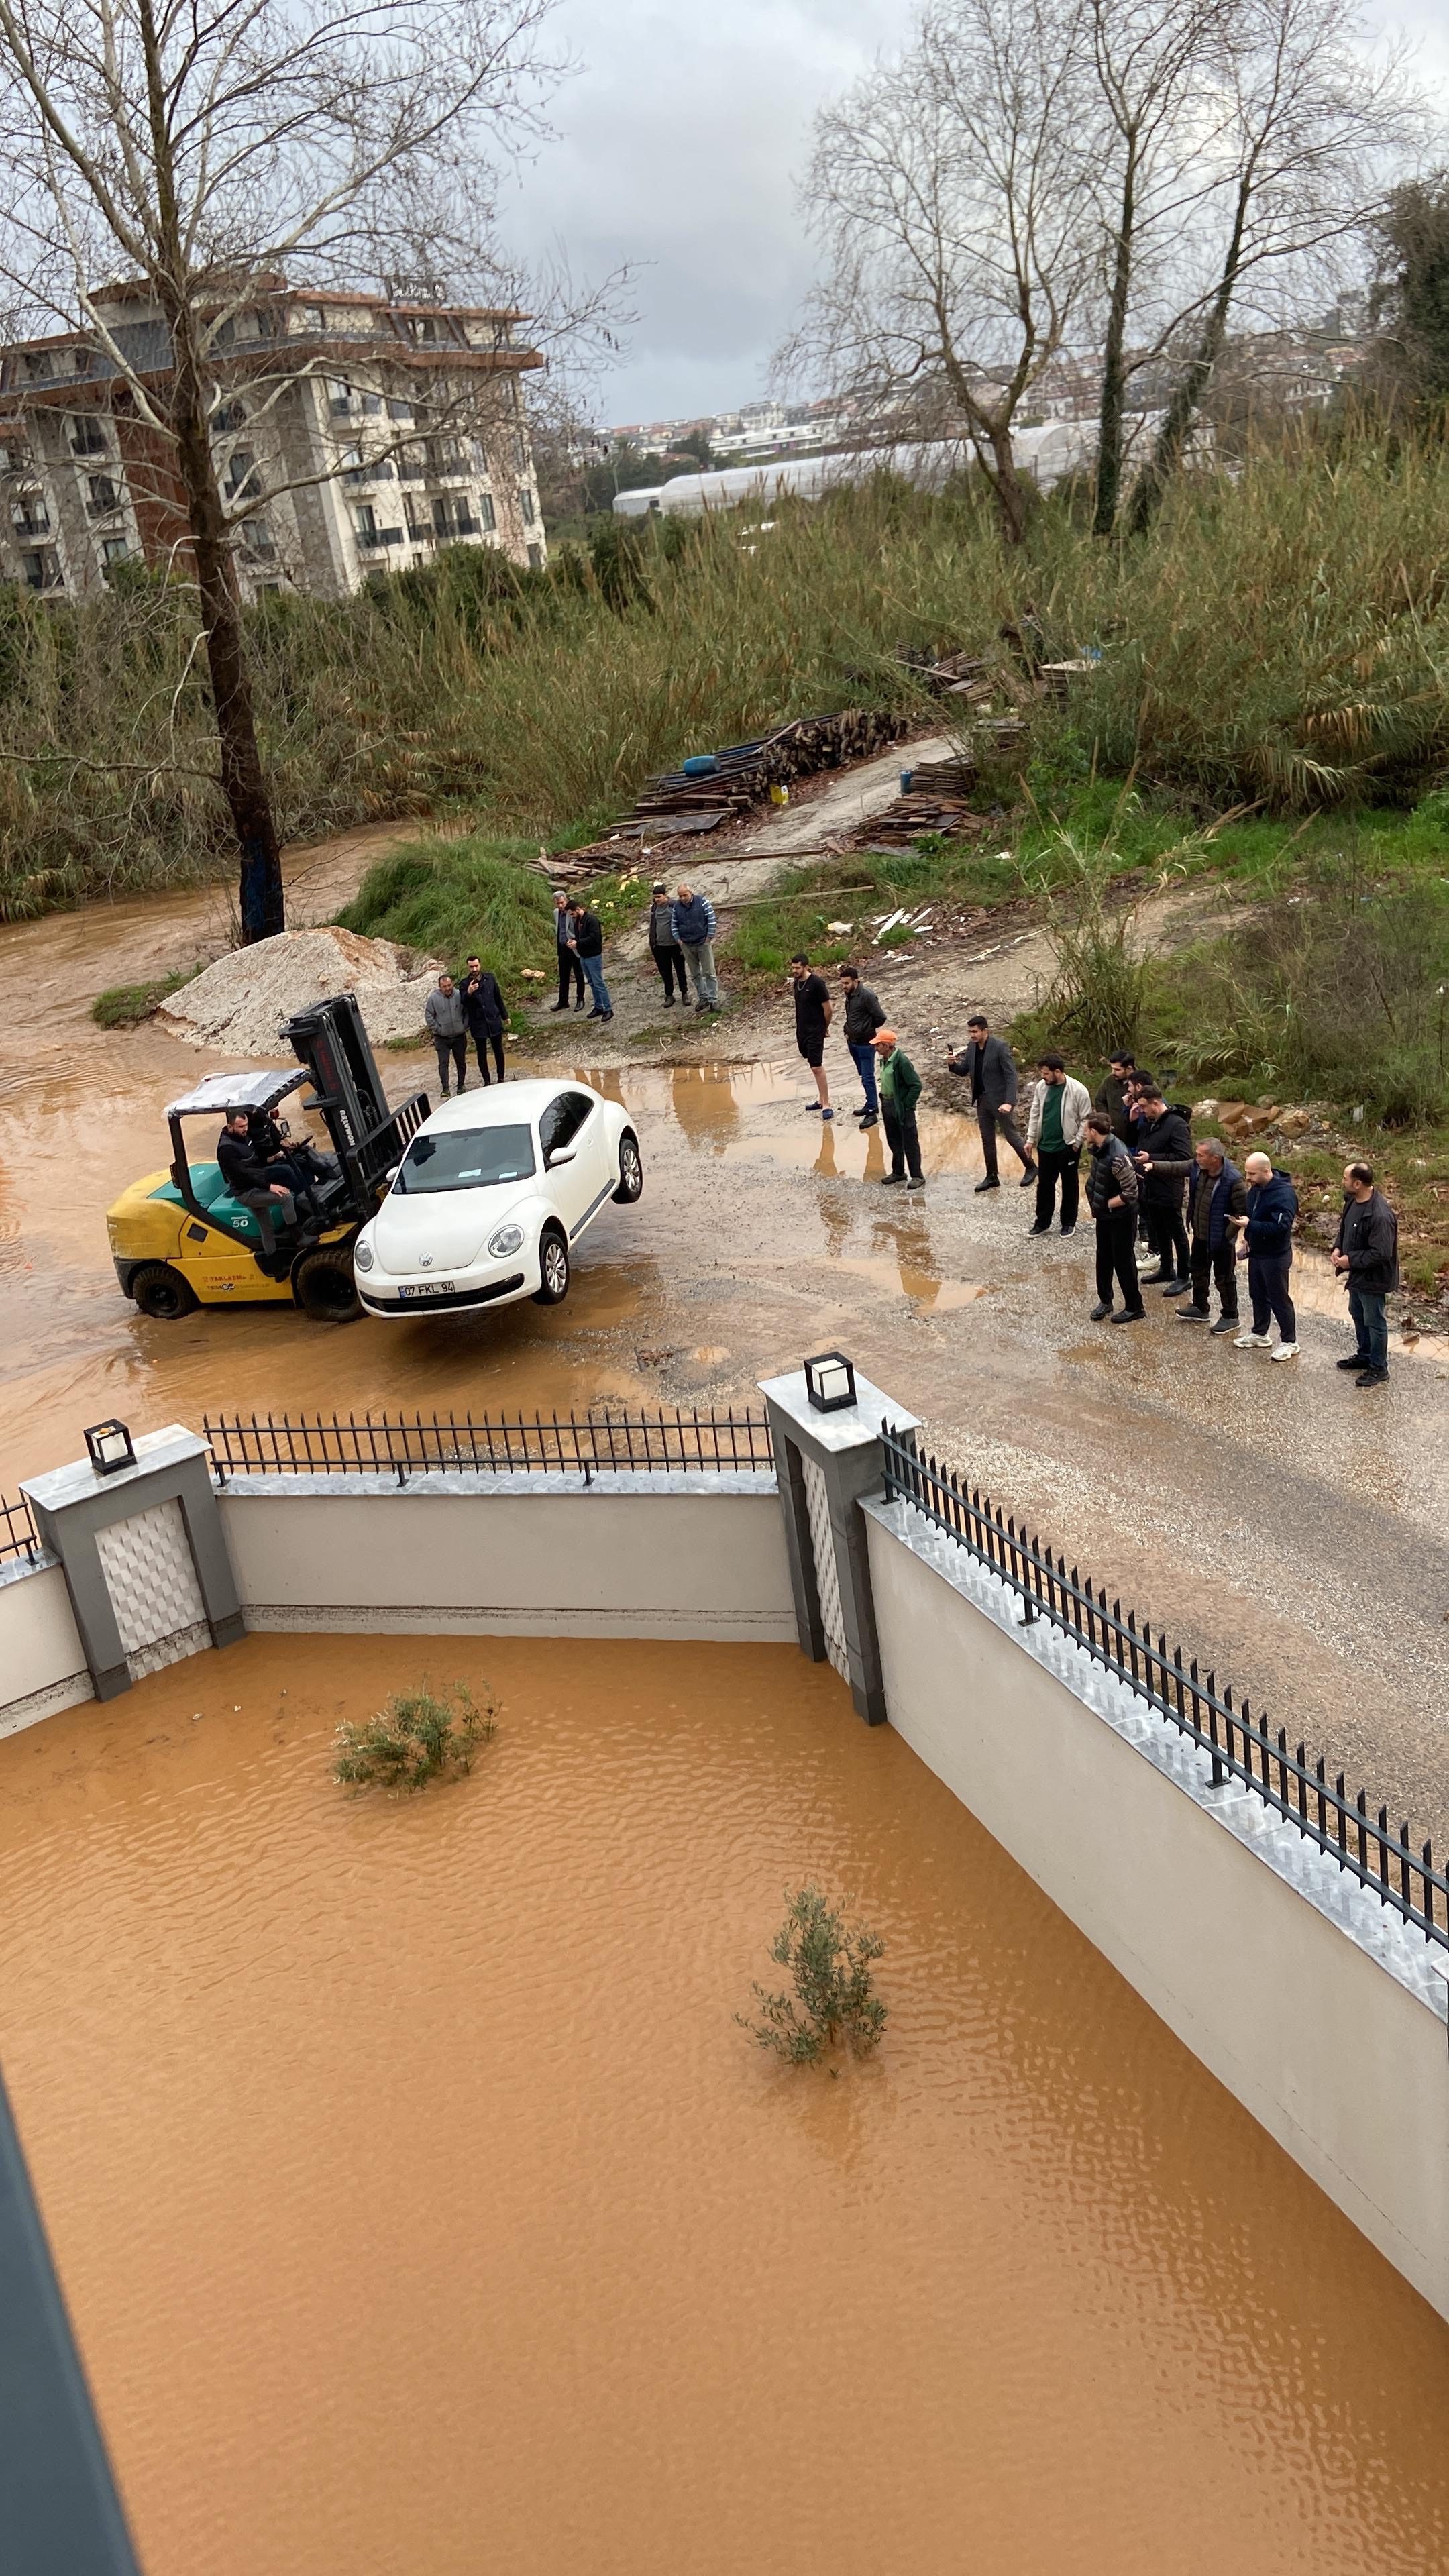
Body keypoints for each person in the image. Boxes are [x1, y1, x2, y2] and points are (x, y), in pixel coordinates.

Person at [946, 1013, 1035, 1193]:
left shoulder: (1000, 1047)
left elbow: (1011, 1075)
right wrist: (952, 1064)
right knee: (987, 1139)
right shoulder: (971, 1048)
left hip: (1000, 1101)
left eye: (975, 1032)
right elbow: (964, 1070)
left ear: (986, 1031)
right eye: (970, 1032)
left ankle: (1031, 1167)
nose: (972, 1036)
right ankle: (992, 1176)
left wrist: (1009, 1101)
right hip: (981, 1100)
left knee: (1011, 1135)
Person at [1332, 1161, 1398, 1387]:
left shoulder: (1380, 1216)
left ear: (1358, 1183)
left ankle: (1379, 1368)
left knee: (1374, 1320)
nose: (1343, 1182)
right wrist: (1338, 1248)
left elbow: (1381, 1253)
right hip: (1358, 1275)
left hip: (1374, 1278)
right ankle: (1365, 1356)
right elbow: (1345, 1229)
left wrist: (1351, 1261)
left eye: (1345, 1178)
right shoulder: (1352, 1201)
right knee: (1357, 1313)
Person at [1172, 1138, 1247, 1332]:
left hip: (1221, 1240)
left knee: (1224, 1279)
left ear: (1215, 1158)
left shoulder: (1233, 1180)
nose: (1196, 1158)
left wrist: (1227, 1236)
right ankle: (1200, 1307)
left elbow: (1242, 1212)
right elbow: (1175, 1167)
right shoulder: (1199, 1169)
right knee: (1197, 1270)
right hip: (1200, 1235)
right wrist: (1152, 1165)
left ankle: (1231, 1316)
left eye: (1200, 1155)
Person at [216, 1109, 309, 1254]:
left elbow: (256, 1157)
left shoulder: (245, 1137)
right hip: (246, 1192)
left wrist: (276, 1153)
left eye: (246, 1125)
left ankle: (272, 1260)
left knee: (267, 1227)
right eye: (241, 1127)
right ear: (230, 1127)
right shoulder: (227, 1149)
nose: (245, 1129)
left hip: (256, 1183)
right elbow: (243, 1174)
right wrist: (269, 1186)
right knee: (286, 1198)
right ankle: (299, 1237)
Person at [1234, 1150, 1299, 1358]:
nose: (1248, 1178)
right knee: (1258, 1295)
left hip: (1276, 1256)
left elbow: (1281, 1228)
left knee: (1279, 1298)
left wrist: (1250, 1224)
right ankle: (1260, 1334)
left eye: (1252, 1174)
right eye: (1247, 1173)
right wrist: (1247, 1236)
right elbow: (1253, 1215)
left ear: (1266, 1171)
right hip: (1257, 1252)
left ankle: (1290, 1341)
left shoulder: (1284, 1195)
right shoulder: (1256, 1190)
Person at [1130, 1080, 1193, 1292]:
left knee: (1177, 1232)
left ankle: (1185, 1276)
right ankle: (1167, 1269)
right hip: (1150, 1185)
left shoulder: (1177, 1125)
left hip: (1168, 1186)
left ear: (1156, 1103)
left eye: (1144, 1107)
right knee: (1158, 1230)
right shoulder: (1149, 1121)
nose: (1142, 1111)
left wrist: (1153, 1159)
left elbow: (1184, 1158)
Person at [1083, 1112, 1144, 1322]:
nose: (1084, 1134)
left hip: (1122, 1217)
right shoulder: (1100, 1149)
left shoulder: (1118, 1156)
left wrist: (1107, 1204)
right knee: (1104, 1257)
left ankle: (1135, 1306)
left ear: (1093, 1131)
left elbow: (1131, 1193)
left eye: (1085, 1130)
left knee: (1123, 1260)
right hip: (1105, 1216)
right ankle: (1105, 1301)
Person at [1024, 1052, 1089, 1234]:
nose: (1043, 1077)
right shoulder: (1041, 1087)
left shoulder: (1078, 1091)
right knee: (1044, 1185)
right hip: (1045, 1146)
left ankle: (1068, 1222)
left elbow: (1086, 1119)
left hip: (1068, 1146)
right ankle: (1042, 1222)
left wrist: (1077, 1144)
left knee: (1069, 1185)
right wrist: (1030, 1139)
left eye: (1046, 1074)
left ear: (1058, 1072)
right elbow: (1035, 1112)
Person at [873, 1029, 924, 1188]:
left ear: (887, 1045)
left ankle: (917, 1175)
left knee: (910, 1142)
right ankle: (898, 1172)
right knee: (894, 1140)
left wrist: (906, 1105)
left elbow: (916, 1085)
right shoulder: (885, 1059)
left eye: (878, 1045)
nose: (876, 1048)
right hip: (887, 1104)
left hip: (901, 1107)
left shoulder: (902, 1062)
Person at [838, 965, 885, 1127]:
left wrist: (866, 1029)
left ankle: (872, 1111)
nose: (844, 987)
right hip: (853, 1042)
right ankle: (869, 1103)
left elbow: (881, 1018)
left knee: (868, 1077)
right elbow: (851, 1016)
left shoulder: (867, 996)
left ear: (856, 981)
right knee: (863, 1076)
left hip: (866, 1043)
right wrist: (847, 1031)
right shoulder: (850, 995)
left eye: (846, 983)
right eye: (842, 983)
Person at [790, 953, 833, 1118]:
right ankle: (821, 1100)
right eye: (793, 967)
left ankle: (827, 1104)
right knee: (812, 1065)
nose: (794, 970)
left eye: (797, 968)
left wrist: (825, 1027)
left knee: (817, 1066)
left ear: (806, 967)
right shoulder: (796, 983)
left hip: (816, 1030)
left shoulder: (817, 983)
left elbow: (828, 1009)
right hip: (802, 1031)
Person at [672, 882, 721, 1012]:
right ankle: (703, 997)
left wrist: (709, 937)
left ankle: (714, 1000)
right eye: (680, 895)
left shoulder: (702, 902)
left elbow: (711, 919)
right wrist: (678, 939)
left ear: (690, 893)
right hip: (687, 945)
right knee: (695, 974)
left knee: (709, 972)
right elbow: (674, 924)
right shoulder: (677, 907)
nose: (682, 898)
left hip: (702, 943)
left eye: (685, 895)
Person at [461, 954, 509, 1080]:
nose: (474, 969)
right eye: (471, 967)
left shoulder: (490, 979)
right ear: (468, 968)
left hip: (493, 1019)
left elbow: (498, 998)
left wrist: (505, 1016)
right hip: (478, 1023)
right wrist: (469, 993)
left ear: (480, 965)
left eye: (476, 966)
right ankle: (487, 1081)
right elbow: (463, 1002)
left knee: (498, 1050)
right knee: (481, 1053)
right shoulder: (464, 984)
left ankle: (501, 1078)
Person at [566, 906, 613, 1024]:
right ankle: (598, 1006)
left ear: (577, 909)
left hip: (593, 957)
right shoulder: (578, 921)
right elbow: (580, 937)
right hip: (584, 956)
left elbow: (594, 938)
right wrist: (574, 941)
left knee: (598, 983)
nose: (572, 917)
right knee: (592, 983)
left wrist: (578, 943)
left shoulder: (591, 920)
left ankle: (608, 1008)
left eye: (572, 914)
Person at [424, 972, 468, 1097]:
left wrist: (464, 1026)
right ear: (440, 987)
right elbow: (429, 1015)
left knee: (461, 1063)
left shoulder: (460, 995)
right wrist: (438, 1029)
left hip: (459, 1036)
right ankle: (446, 1089)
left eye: (449, 985)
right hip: (441, 1038)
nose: (448, 988)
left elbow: (467, 1012)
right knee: (444, 1064)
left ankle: (461, 1086)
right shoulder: (433, 998)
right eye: (444, 987)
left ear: (452, 984)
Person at [648, 881, 688, 1005]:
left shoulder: (675, 905)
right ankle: (669, 995)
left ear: (666, 895)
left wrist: (683, 941)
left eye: (659, 897)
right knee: (665, 972)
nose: (657, 900)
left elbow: (683, 922)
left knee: (680, 970)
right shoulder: (654, 908)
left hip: (675, 945)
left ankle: (684, 993)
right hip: (659, 946)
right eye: (655, 897)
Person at [551, 888, 586, 1013]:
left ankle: (580, 999)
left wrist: (577, 942)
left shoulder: (572, 913)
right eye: (558, 903)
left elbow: (579, 928)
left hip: (573, 946)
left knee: (578, 974)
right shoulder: (556, 913)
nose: (560, 906)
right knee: (563, 975)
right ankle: (563, 1000)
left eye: (562, 902)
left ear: (566, 900)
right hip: (562, 948)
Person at [1095, 1051, 1137, 1143]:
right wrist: (1106, 1121)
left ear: (1129, 1069)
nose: (1113, 1073)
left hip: (1136, 1138)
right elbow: (1100, 1101)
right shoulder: (1109, 1081)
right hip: (1113, 1136)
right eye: (1112, 1069)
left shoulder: (1143, 1082)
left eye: (1117, 1070)